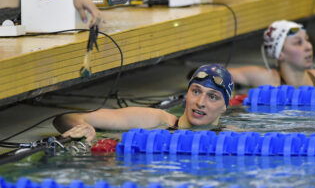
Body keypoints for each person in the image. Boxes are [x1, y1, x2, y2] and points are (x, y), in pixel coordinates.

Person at [53, 64, 234, 142]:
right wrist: (83, 127)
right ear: (186, 94)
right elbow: (65, 118)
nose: (200, 102)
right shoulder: (154, 120)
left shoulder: (234, 138)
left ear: (225, 106)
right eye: (196, 91)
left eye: (213, 96)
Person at [228, 20, 315, 88]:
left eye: (307, 40)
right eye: (298, 43)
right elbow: (216, 73)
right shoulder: (266, 79)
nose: (308, 47)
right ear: (280, 54)